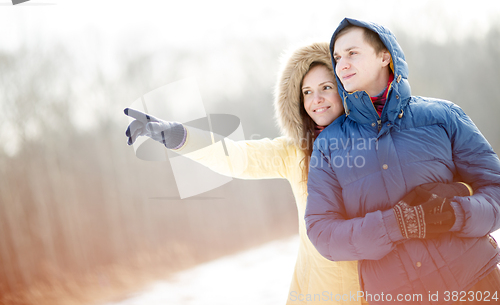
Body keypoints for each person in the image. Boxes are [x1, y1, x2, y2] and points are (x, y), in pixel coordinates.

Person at [124, 42, 368, 305]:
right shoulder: (297, 152)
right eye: (307, 92)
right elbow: (237, 157)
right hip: (318, 292)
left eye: (326, 88)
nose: (315, 100)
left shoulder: (378, 143)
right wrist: (177, 135)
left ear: (346, 89)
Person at [305, 18, 500, 305]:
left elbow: (494, 187)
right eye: (337, 57)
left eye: (352, 53)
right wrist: (394, 225)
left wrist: (455, 213)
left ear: (385, 56)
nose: (341, 64)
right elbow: (322, 231)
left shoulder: (443, 116)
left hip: (476, 284)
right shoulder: (328, 146)